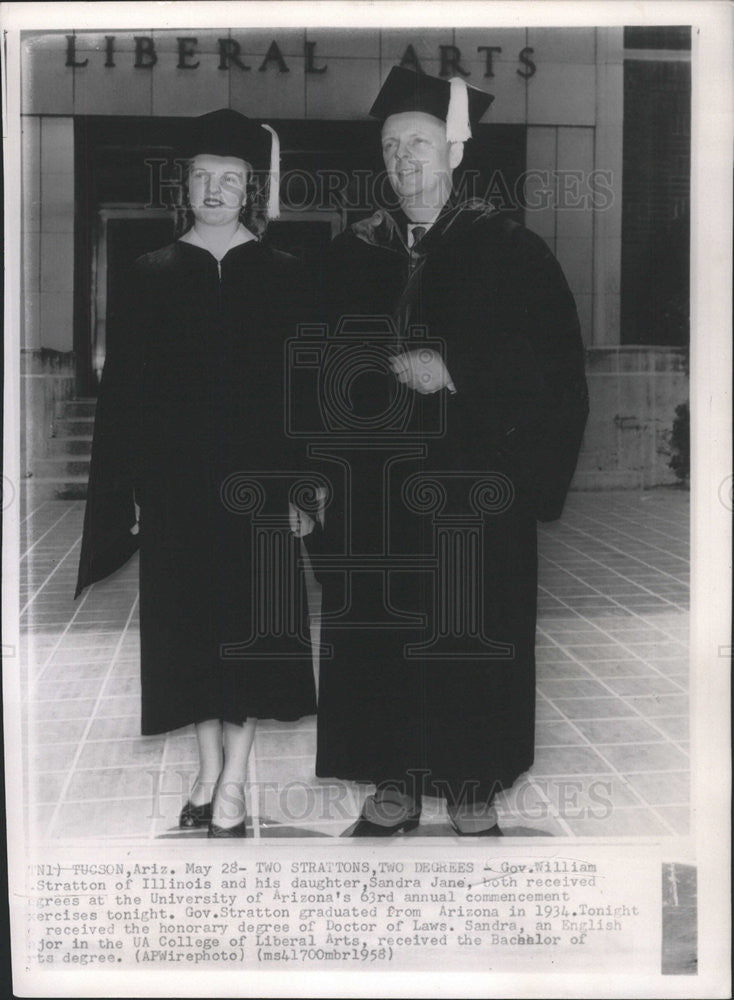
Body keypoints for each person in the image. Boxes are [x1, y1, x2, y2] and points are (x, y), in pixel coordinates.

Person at [314, 67, 589, 836]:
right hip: (376, 489)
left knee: (473, 630)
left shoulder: (510, 249)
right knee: (380, 630)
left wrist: (457, 370)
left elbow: (556, 368)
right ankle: (393, 785)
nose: (405, 160)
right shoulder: (350, 254)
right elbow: (312, 367)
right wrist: (318, 475)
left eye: (421, 144)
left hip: (475, 487)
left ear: (454, 153)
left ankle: (472, 787)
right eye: (393, 146)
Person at [76, 109, 319, 838]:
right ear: (184, 185)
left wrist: (306, 489)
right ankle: (210, 769)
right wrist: (132, 493)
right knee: (190, 635)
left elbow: (301, 394)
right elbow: (126, 398)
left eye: (232, 179)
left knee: (249, 633)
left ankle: (236, 782)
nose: (216, 189)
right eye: (202, 177)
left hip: (260, 493)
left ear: (251, 189)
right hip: (178, 491)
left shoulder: (283, 277)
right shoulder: (150, 273)